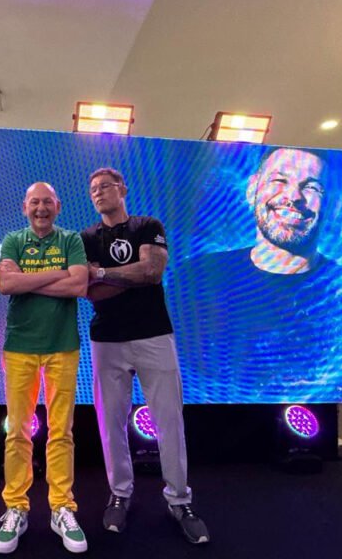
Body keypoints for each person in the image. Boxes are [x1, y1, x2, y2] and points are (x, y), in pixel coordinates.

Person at [80, 167, 210, 545]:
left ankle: (179, 500)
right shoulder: (87, 237)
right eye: (93, 189)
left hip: (154, 334)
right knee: (111, 424)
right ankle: (120, 493)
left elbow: (152, 271)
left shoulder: (147, 225)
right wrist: (124, 276)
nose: (98, 192)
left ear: (122, 189)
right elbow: (89, 291)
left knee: (169, 421)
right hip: (107, 340)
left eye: (105, 186)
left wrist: (103, 272)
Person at [188, 146, 342, 402]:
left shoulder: (339, 293)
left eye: (312, 187)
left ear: (335, 206)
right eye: (279, 180)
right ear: (252, 189)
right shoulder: (194, 277)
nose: (293, 196)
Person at [0, 183, 88, 554]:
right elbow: (6, 283)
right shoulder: (13, 240)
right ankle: (16, 506)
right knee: (17, 430)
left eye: (48, 201)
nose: (41, 208)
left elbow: (79, 284)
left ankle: (61, 506)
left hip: (63, 347)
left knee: (61, 431)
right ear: (24, 207)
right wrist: (56, 274)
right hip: (20, 347)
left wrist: (27, 282)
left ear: (58, 206)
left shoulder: (72, 240)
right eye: (35, 202)